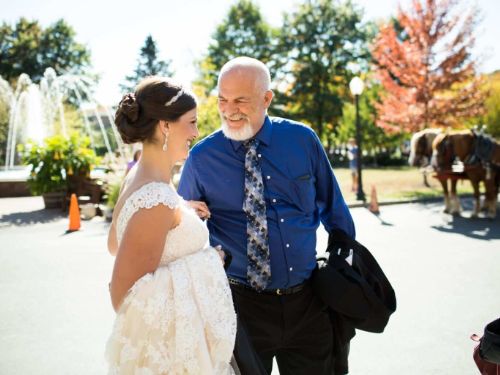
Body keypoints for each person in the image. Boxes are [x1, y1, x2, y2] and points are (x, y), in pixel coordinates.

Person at [178, 57, 355, 375]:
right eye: (222, 99)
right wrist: (187, 218)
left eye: (241, 100)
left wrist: (342, 270)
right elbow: (184, 233)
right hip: (240, 308)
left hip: (309, 301)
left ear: (267, 98)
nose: (229, 109)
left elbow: (335, 209)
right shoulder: (201, 158)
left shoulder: (302, 141)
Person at [105, 77, 237, 374]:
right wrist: (209, 262)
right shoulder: (157, 198)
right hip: (172, 360)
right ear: (165, 125)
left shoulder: (139, 179)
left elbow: (115, 243)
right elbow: (124, 298)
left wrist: (179, 212)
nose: (195, 132)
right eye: (191, 122)